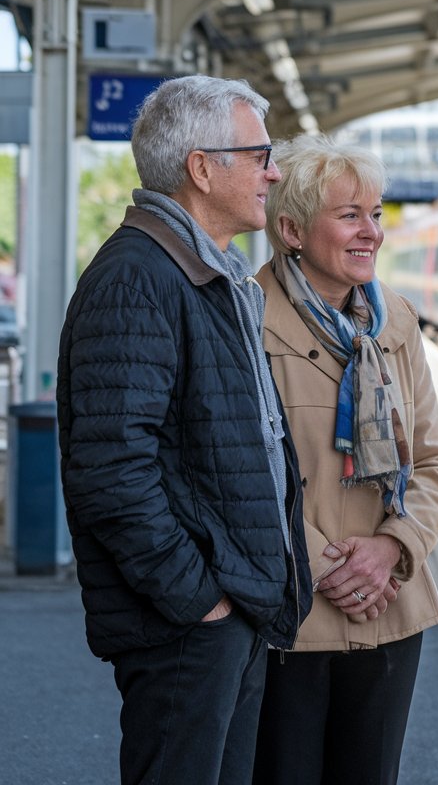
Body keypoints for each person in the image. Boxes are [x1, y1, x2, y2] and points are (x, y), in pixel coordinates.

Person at [57, 75, 312, 785]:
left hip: (228, 613)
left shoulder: (206, 273)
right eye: (259, 153)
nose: (275, 171)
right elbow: (110, 470)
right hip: (187, 625)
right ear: (202, 168)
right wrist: (199, 600)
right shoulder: (139, 279)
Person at [250, 134, 438, 785]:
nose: (372, 231)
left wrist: (392, 547)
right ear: (291, 229)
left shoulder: (395, 319)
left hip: (391, 607)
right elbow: (246, 472)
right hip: (290, 617)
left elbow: (434, 460)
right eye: (349, 215)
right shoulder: (243, 317)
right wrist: (326, 566)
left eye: (375, 213)